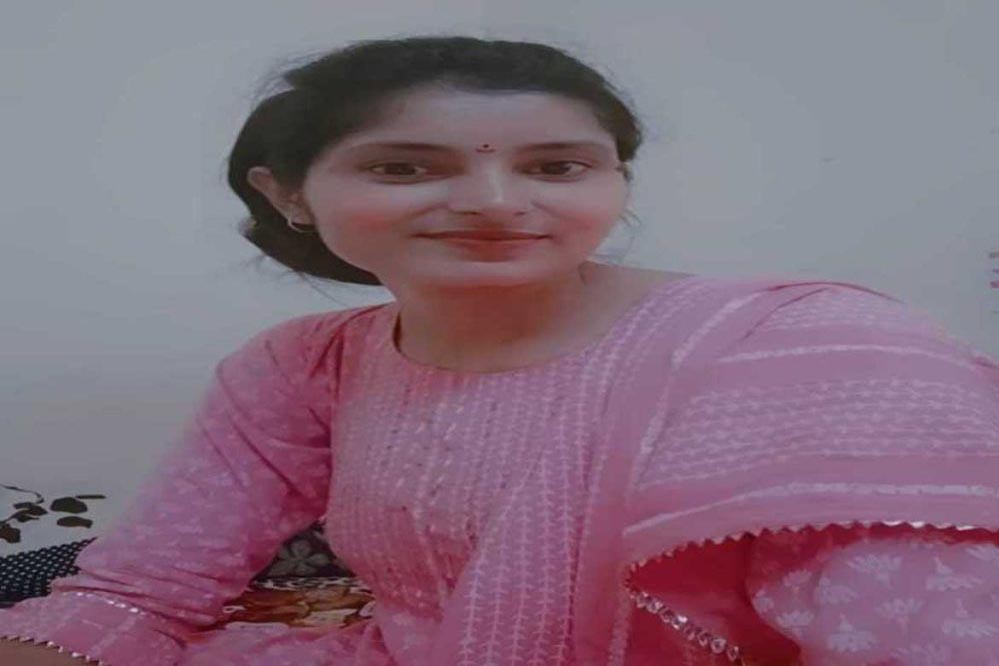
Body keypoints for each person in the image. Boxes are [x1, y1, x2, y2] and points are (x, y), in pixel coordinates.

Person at [2, 34, 998, 666]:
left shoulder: (799, 349)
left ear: (615, 182)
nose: (492, 202)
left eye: (556, 167)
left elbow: (931, 640)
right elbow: (143, 587)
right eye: (405, 167)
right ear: (288, 193)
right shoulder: (302, 366)